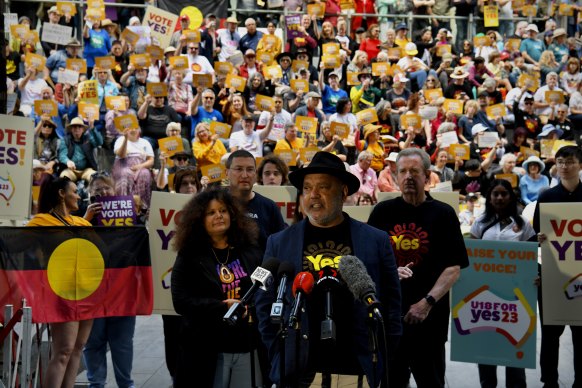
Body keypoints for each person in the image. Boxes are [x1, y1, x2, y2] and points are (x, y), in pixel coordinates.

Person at [255, 151, 402, 387]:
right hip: (298, 372)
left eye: (323, 187)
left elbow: (392, 305)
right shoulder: (278, 242)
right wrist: (278, 352)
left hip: (358, 370)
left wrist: (381, 358)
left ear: (343, 191)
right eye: (307, 188)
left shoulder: (377, 240)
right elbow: (263, 302)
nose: (313, 195)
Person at [367, 147, 469, 388]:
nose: (408, 177)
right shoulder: (382, 212)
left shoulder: (443, 214)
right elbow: (367, 259)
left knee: (431, 382)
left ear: (427, 176)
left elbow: (454, 266)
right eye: (402, 171)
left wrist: (426, 303)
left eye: (415, 171)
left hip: (430, 322)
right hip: (391, 320)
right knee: (391, 382)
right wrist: (390, 271)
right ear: (394, 176)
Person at [171, 188, 263, 387]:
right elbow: (181, 302)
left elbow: (262, 289)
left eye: (223, 210)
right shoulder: (189, 255)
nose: (219, 216)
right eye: (211, 212)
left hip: (246, 344)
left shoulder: (249, 248)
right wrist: (222, 306)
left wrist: (252, 308)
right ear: (199, 219)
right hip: (207, 348)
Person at [28, 176, 93, 388]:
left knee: (78, 348)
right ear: (61, 194)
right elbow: (18, 245)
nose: (79, 195)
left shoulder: (82, 222)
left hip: (87, 291)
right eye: (74, 191)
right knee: (63, 351)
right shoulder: (40, 222)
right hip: (61, 292)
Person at [470, 179, 536, 388]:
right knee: (487, 342)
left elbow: (531, 255)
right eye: (495, 194)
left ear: (511, 196)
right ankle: (487, 383)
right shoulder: (480, 222)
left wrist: (534, 275)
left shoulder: (524, 224)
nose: (499, 198)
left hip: (516, 294)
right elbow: (471, 257)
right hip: (485, 293)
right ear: (489, 197)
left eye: (504, 194)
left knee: (515, 342)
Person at [533, 145, 582, 388]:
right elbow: (536, 232)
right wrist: (540, 236)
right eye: (560, 161)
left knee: (581, 334)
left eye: (570, 161)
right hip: (553, 274)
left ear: (580, 165)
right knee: (550, 335)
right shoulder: (546, 196)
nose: (564, 166)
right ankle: (549, 380)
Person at [82, 174, 137, 388]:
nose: (103, 193)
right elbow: (66, 241)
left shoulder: (128, 213)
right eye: (97, 190)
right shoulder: (79, 217)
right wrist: (85, 220)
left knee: (122, 344)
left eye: (106, 189)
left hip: (122, 291)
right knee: (93, 343)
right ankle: (96, 384)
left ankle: (126, 385)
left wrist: (137, 216)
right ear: (90, 194)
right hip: (91, 292)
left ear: (114, 191)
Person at [226, 150, 285, 248]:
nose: (245, 175)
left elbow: (281, 246)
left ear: (255, 173)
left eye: (250, 169)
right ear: (227, 173)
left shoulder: (270, 207)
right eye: (238, 169)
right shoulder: (217, 204)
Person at [112, 126, 154, 208]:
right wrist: (125, 139)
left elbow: (151, 160)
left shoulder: (145, 142)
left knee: (145, 173)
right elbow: (121, 155)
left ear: (139, 130)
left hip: (140, 167)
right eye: (131, 128)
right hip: (123, 166)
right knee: (125, 173)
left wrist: (140, 166)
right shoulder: (120, 140)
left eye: (136, 128)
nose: (133, 130)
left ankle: (142, 207)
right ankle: (124, 206)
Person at [58, 117, 103, 183]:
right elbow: (62, 155)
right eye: (74, 127)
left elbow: (99, 142)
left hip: (86, 170)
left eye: (79, 127)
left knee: (96, 179)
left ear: (83, 130)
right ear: (71, 129)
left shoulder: (88, 139)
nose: (77, 129)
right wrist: (68, 161)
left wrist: (92, 127)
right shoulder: (65, 140)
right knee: (63, 179)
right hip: (70, 170)